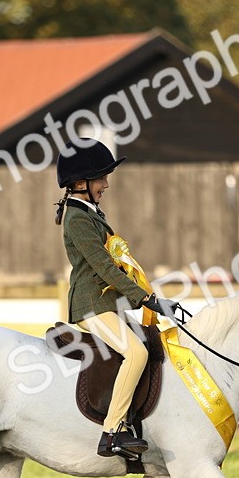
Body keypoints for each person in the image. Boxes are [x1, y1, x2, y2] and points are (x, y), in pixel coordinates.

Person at [55, 139, 181, 458]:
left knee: (148, 344)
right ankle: (111, 432)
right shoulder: (77, 219)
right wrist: (146, 299)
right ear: (80, 184)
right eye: (101, 178)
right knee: (136, 352)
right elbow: (105, 268)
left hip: (107, 303)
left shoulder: (90, 213)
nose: (106, 184)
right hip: (91, 306)